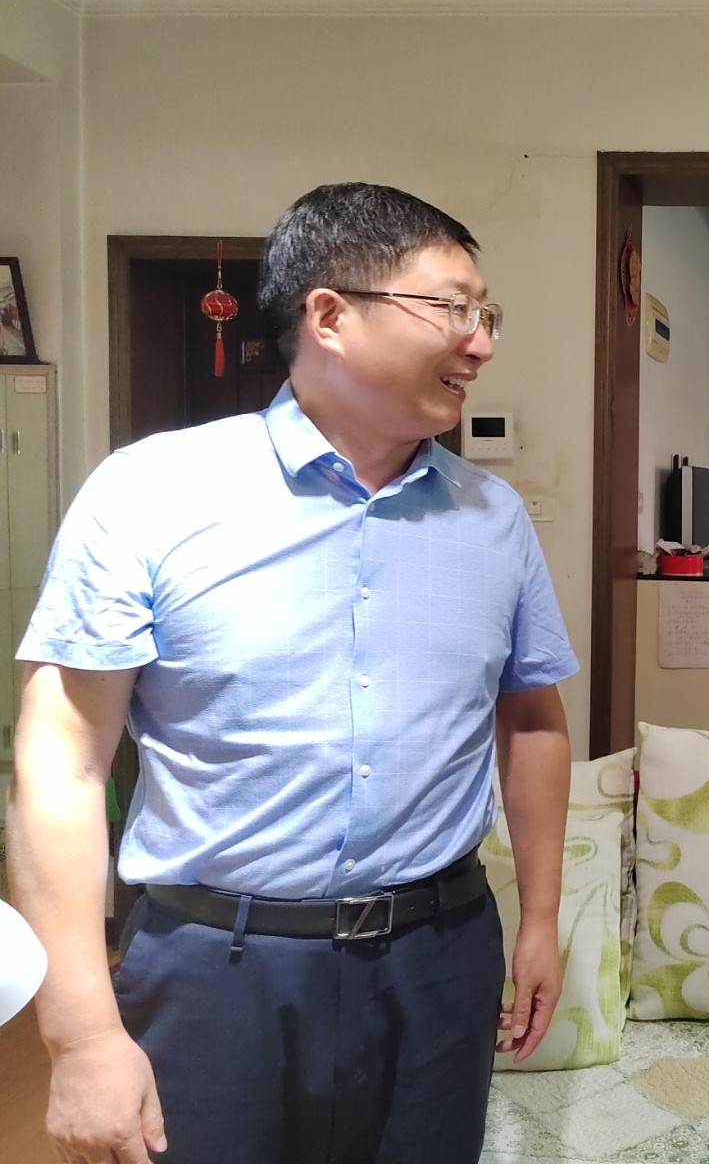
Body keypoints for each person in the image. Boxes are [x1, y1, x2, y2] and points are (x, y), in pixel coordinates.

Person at [7, 182, 579, 1164]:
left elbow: (530, 719)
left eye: (488, 316)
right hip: (215, 970)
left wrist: (540, 917)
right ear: (330, 315)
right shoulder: (150, 494)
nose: (480, 342)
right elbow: (59, 764)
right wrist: (81, 1033)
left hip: (440, 957)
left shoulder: (494, 520)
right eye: (453, 307)